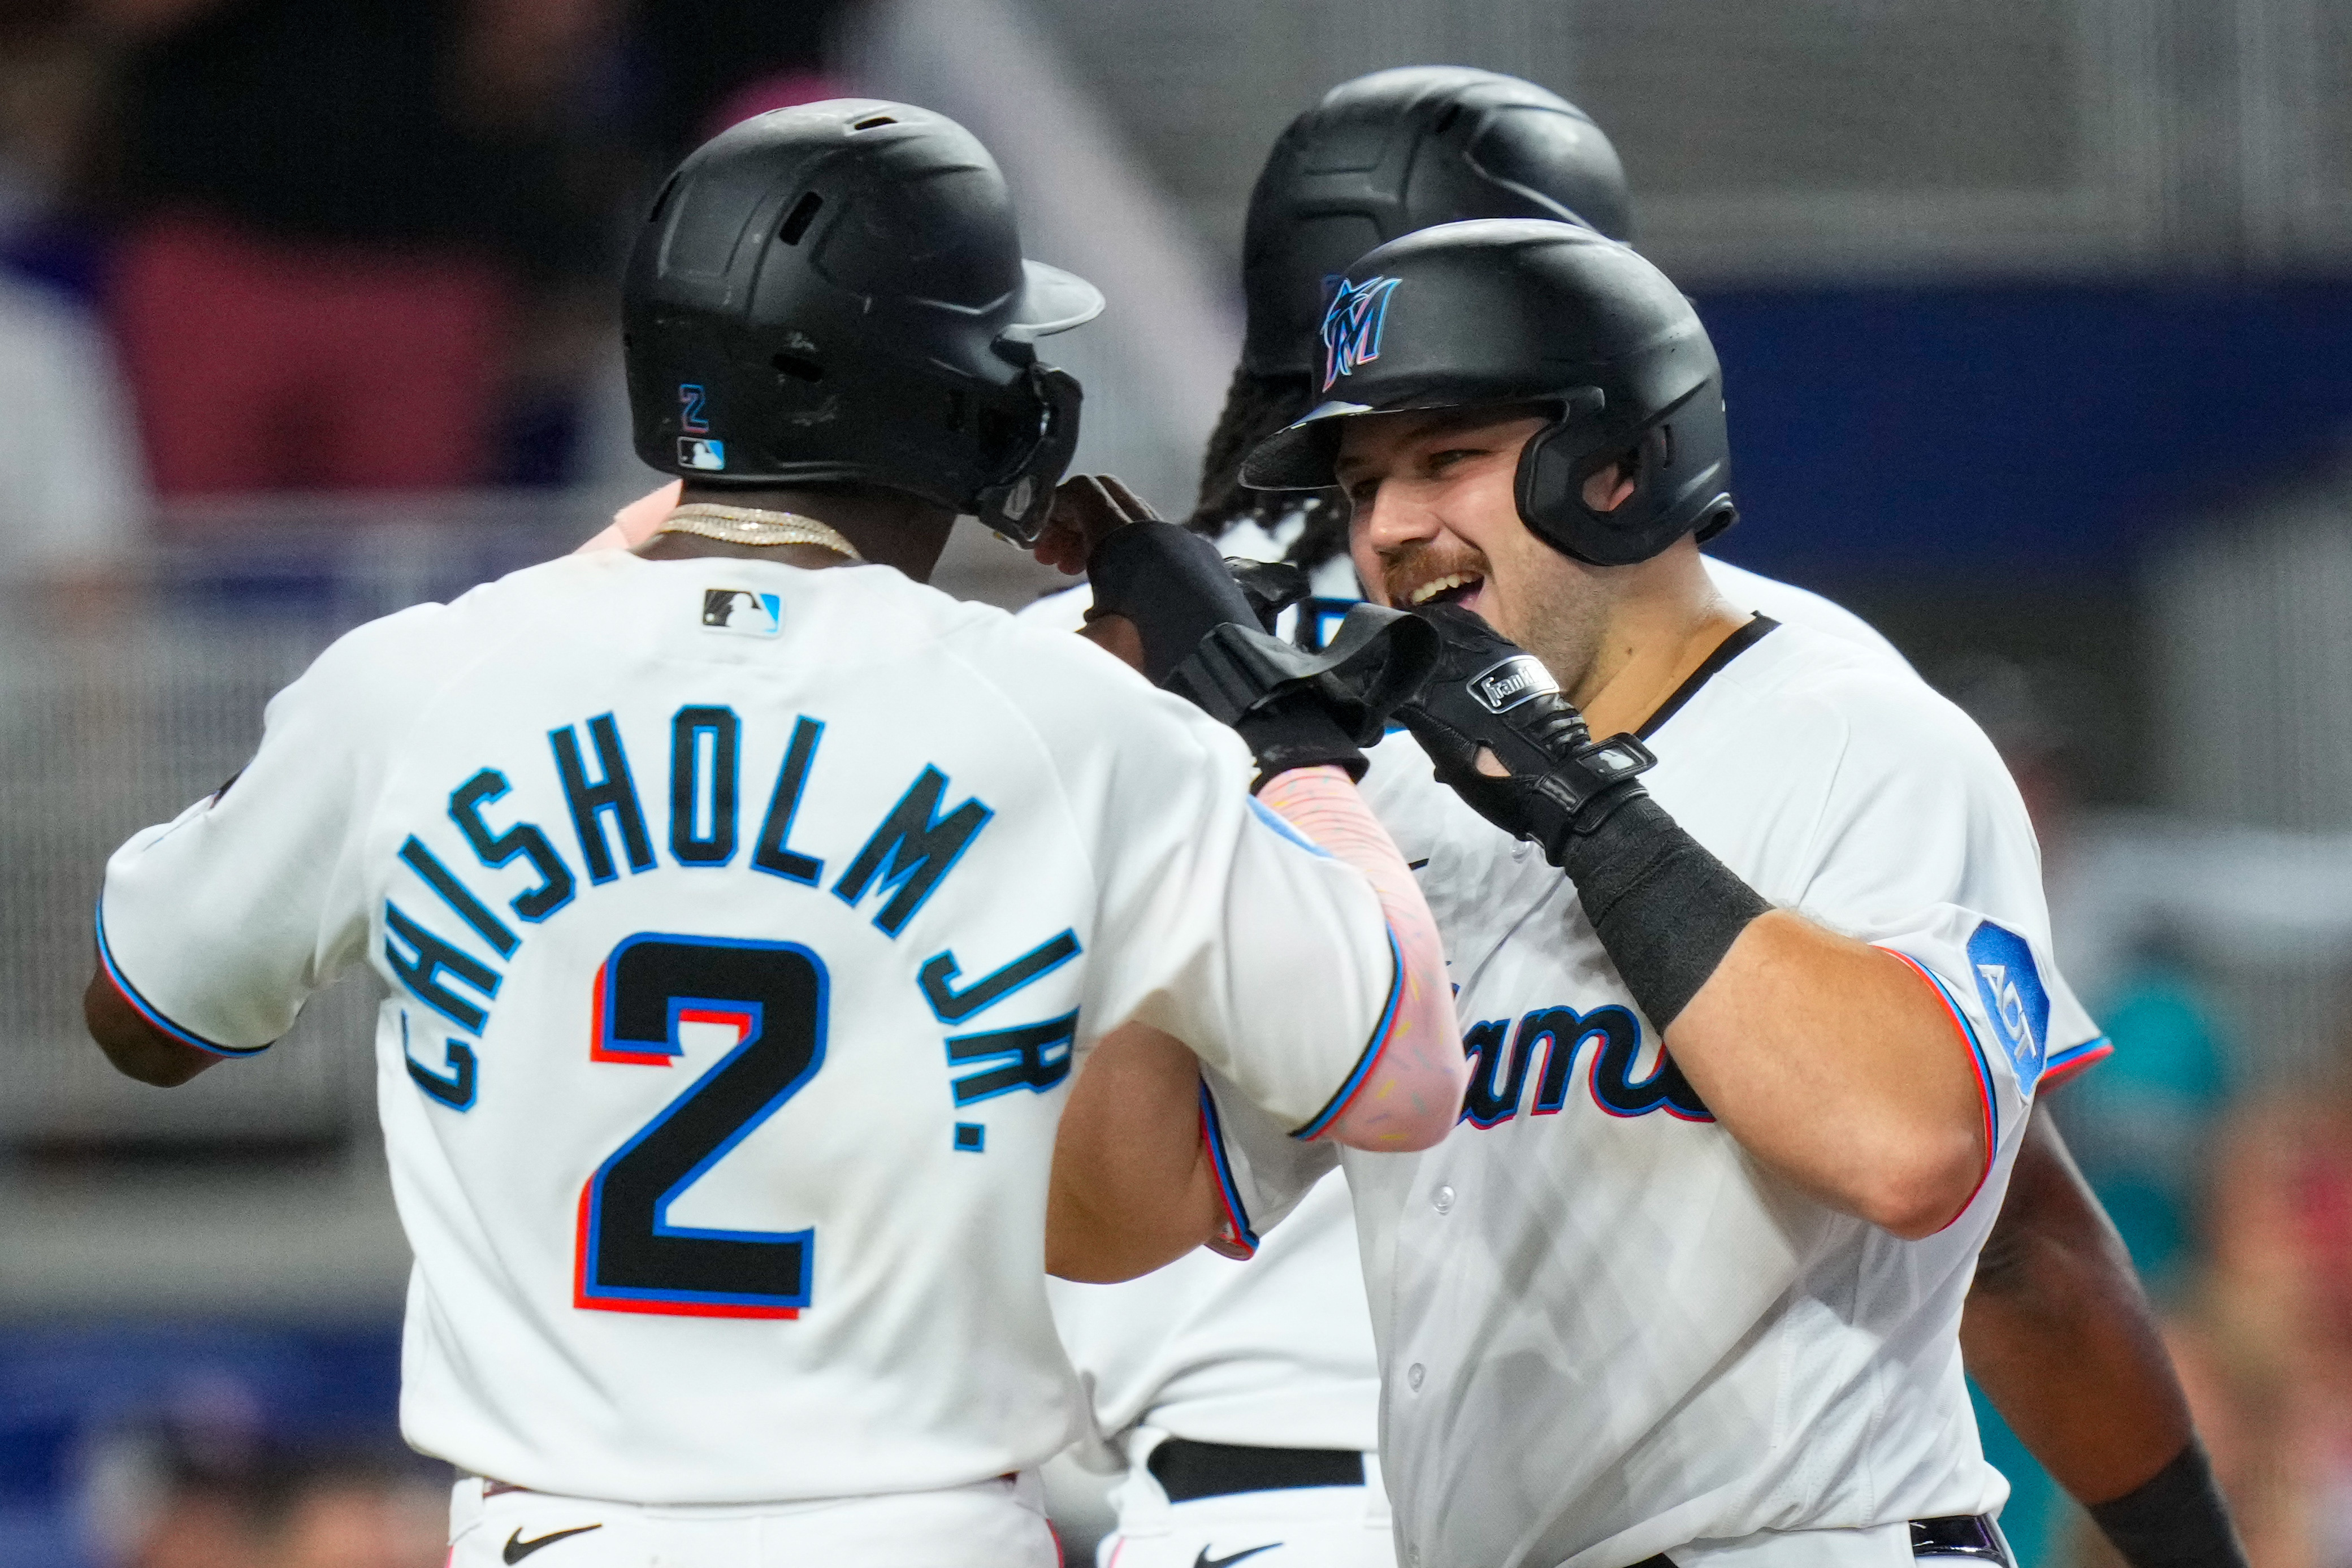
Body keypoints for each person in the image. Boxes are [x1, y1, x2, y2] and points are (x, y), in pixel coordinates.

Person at [80, 100, 1466, 1568]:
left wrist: (578, 579)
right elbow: (1395, 1071)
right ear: (950, 403)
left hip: (557, 1534)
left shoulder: (422, 683)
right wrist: (1283, 736)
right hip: (920, 1533)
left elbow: (145, 1015)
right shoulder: (1061, 720)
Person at [1034, 67, 2242, 1568]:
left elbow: (1914, 1153)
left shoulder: (1857, 732)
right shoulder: (1379, 791)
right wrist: (1178, 809)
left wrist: (1574, 797)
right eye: (1364, 481)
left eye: (1445, 459)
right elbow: (1124, 1216)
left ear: (1614, 460)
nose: (1393, 527)